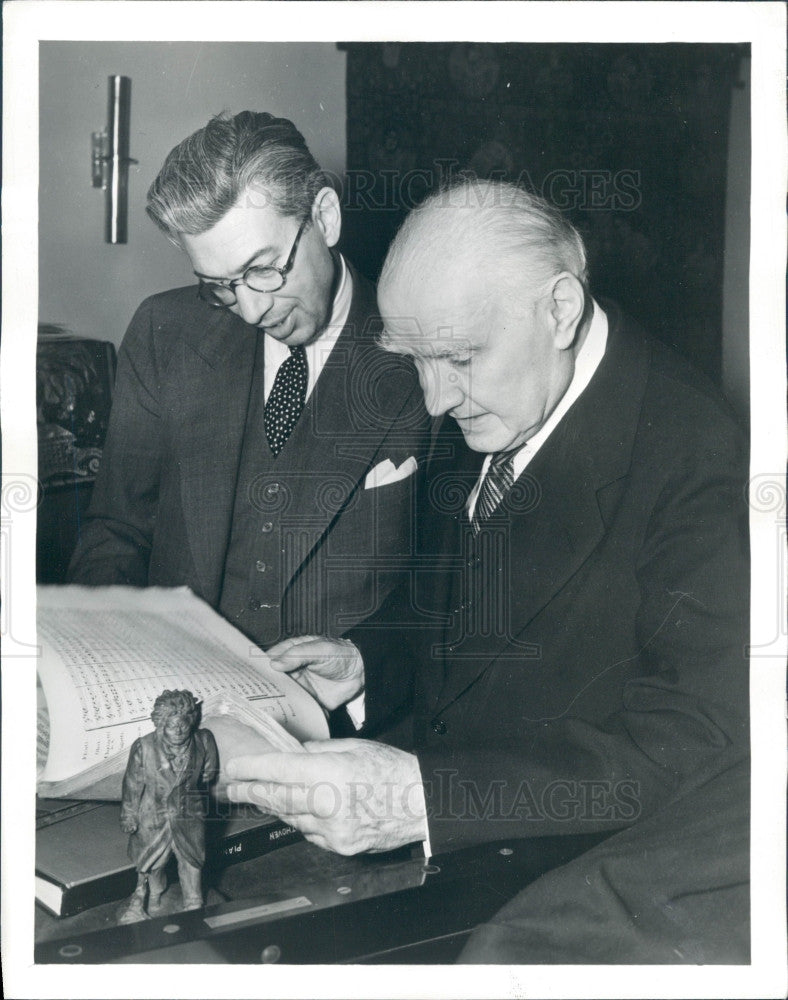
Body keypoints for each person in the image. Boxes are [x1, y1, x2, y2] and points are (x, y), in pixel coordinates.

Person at [223, 179, 749, 959]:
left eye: (458, 358)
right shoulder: (495, 391)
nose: (434, 400)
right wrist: (372, 660)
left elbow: (699, 748)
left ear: (560, 310)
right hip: (432, 840)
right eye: (417, 361)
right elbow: (458, 599)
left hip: (560, 890)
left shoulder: (694, 450)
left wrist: (425, 801)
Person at [68, 111, 430, 653]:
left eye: (264, 269)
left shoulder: (425, 356)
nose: (252, 308)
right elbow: (116, 530)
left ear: (325, 218)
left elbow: (451, 595)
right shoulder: (163, 332)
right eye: (220, 285)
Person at [119, 689, 218, 918]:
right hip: (153, 814)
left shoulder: (203, 740)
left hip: (189, 814)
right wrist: (128, 814)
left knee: (192, 861)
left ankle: (194, 904)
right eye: (172, 726)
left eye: (183, 725)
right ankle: (154, 895)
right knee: (154, 863)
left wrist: (208, 770)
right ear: (161, 725)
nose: (179, 731)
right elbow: (132, 784)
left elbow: (209, 772)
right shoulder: (144, 747)